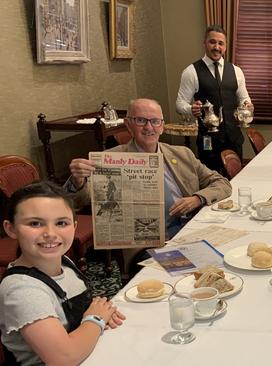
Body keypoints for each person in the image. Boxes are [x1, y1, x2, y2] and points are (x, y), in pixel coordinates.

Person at [66, 98, 232, 240]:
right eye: (140, 120)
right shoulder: (110, 159)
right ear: (128, 124)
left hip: (192, 229)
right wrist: (77, 181)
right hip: (145, 240)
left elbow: (222, 183)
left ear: (162, 126)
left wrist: (197, 198)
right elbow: (82, 202)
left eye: (155, 121)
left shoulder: (182, 154)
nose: (149, 127)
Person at [0, 181, 126, 365]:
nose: (50, 233)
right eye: (35, 223)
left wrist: (101, 311)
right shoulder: (21, 290)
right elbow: (63, 358)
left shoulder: (66, 263)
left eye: (61, 223)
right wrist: (96, 319)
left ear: (74, 226)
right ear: (11, 228)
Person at [176, 24, 253, 176]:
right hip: (208, 140)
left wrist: (248, 106)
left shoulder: (237, 71)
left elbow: (244, 99)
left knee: (236, 179)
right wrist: (191, 109)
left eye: (221, 43)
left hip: (233, 138)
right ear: (204, 43)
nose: (216, 47)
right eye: (212, 42)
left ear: (225, 46)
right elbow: (179, 104)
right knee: (210, 180)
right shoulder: (191, 71)